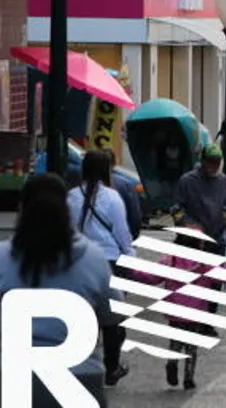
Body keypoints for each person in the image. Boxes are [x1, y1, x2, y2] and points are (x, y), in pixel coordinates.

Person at [0, 174, 120, 407]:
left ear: (21, 209)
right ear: (66, 209)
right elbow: (113, 315)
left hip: (16, 382)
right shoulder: (94, 258)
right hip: (81, 382)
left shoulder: (3, 258)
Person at [130, 228, 226, 389]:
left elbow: (151, 277)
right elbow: (225, 272)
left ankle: (172, 362)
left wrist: (131, 272)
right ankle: (188, 377)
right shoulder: (204, 264)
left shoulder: (170, 261)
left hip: (175, 311)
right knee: (192, 346)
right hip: (195, 312)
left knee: (175, 342)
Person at [67, 150, 133, 386]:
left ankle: (82, 364)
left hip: (78, 262)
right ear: (107, 170)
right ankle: (112, 367)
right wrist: (131, 257)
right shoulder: (113, 197)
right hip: (109, 262)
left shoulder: (70, 197)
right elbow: (122, 233)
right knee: (114, 317)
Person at [174, 144, 226, 255]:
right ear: (202, 160)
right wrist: (188, 225)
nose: (214, 165)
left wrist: (225, 226)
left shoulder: (223, 181)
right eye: (210, 161)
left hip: (217, 239)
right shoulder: (188, 180)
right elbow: (177, 210)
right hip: (192, 241)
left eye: (217, 162)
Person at [104, 149, 142, 240]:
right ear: (114, 163)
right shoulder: (124, 184)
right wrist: (133, 235)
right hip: (119, 238)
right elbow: (134, 213)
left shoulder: (82, 187)